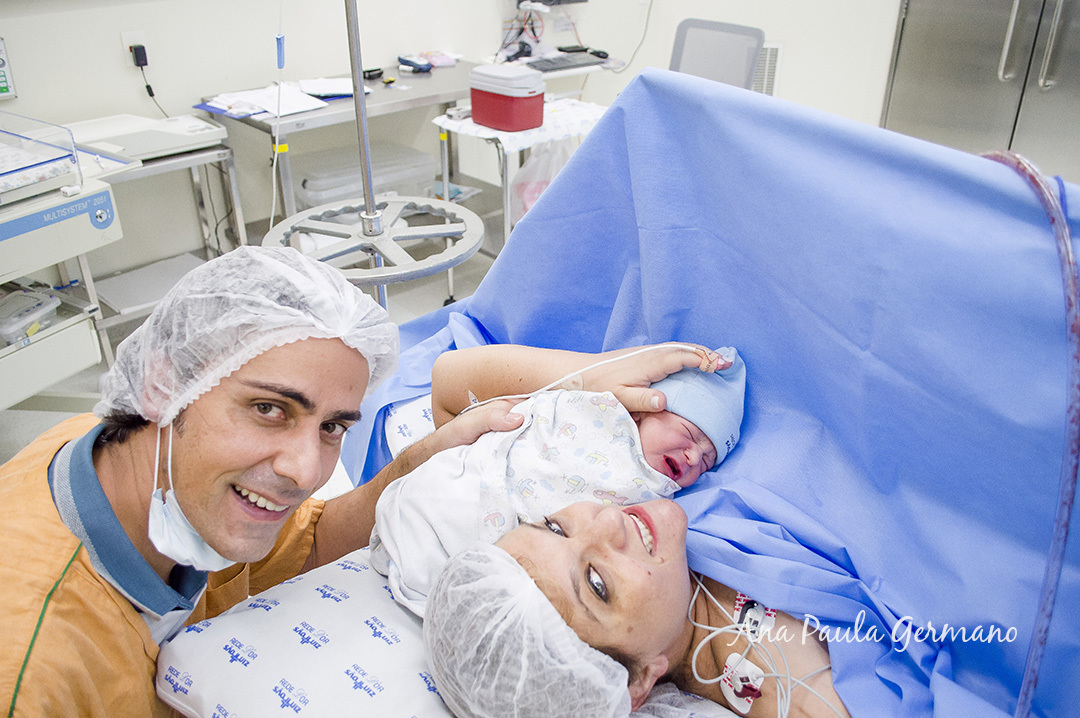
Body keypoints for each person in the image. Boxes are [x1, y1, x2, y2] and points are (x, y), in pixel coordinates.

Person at [0, 246, 522, 717]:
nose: (305, 470)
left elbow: (309, 543)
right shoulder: (31, 668)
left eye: (332, 427)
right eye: (269, 409)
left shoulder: (146, 470)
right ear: (164, 384)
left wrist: (425, 456)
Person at [369, 342, 747, 616]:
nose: (695, 456)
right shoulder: (598, 413)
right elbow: (536, 408)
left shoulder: (659, 503)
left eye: (708, 459)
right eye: (689, 433)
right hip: (484, 484)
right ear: (644, 410)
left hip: (516, 547)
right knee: (446, 504)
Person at [425, 499, 852, 718]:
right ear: (638, 682)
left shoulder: (661, 473)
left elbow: (450, 384)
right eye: (597, 584)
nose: (607, 519)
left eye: (556, 527)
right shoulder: (810, 694)